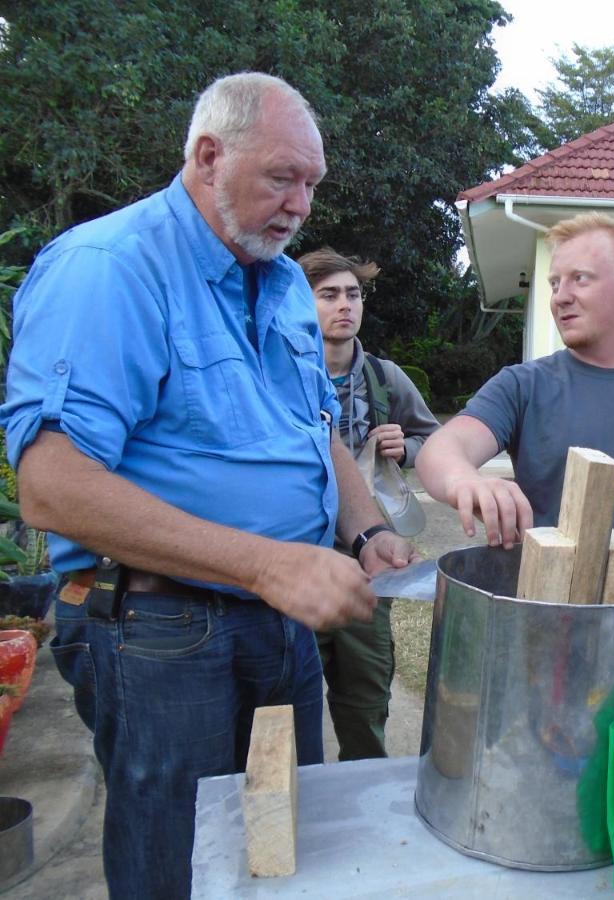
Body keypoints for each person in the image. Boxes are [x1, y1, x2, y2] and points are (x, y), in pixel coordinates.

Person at [0, 73, 416, 897]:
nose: (300, 204)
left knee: (276, 856)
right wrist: (267, 563)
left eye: (312, 184)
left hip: (277, 625)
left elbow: (314, 429)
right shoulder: (109, 267)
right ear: (207, 155)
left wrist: (365, 530)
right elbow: (51, 485)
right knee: (178, 868)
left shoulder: (285, 283)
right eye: (281, 178)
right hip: (158, 633)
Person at [416, 212, 614, 661]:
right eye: (553, 283)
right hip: (537, 637)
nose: (560, 298)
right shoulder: (524, 386)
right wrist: (463, 479)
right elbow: (442, 449)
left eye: (580, 279)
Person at [299, 247, 438, 760]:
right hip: (298, 558)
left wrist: (409, 448)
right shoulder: (280, 372)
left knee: (364, 695)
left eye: (353, 294)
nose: (344, 306)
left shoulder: (385, 377)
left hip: (369, 560)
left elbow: (436, 444)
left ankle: (364, 797)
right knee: (291, 700)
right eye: (328, 295)